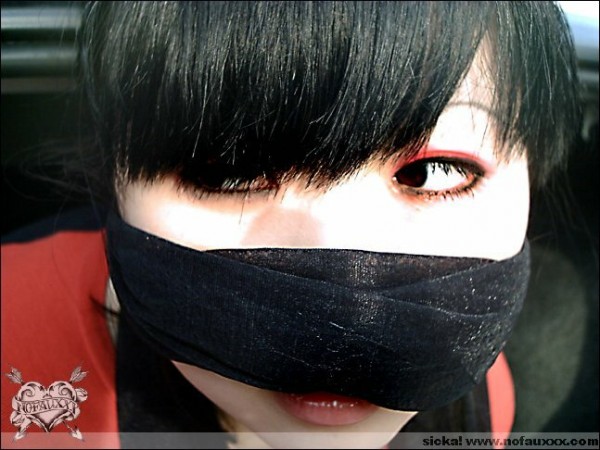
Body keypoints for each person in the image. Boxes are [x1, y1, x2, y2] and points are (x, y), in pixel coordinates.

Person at [1, 2, 581, 449]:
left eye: (432, 172)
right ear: (114, 181)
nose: (347, 305)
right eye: (230, 172)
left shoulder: (482, 403)